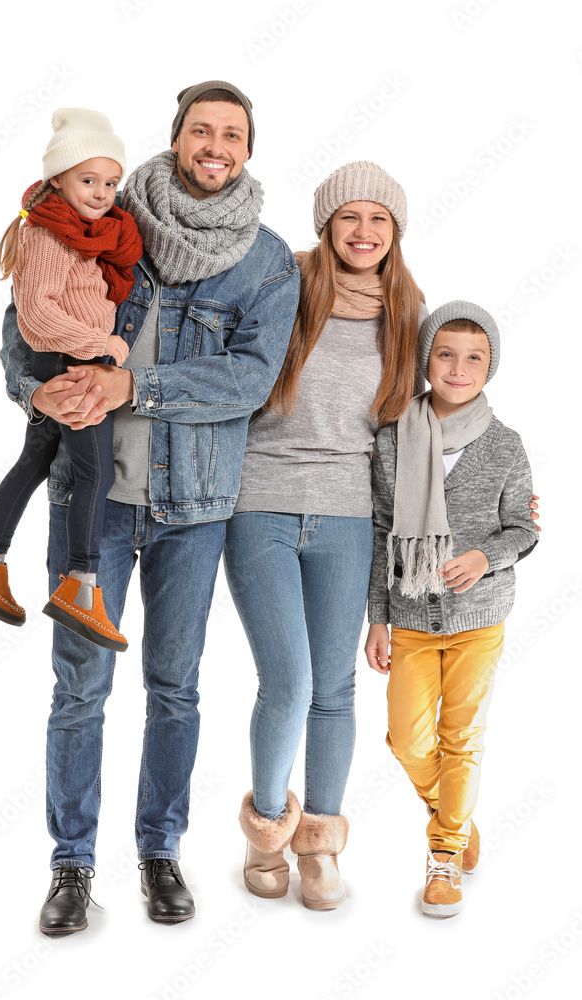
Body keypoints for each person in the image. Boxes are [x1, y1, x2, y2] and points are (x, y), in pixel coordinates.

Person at [0, 81, 300, 933]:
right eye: (200, 130)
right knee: (79, 689)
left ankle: (159, 850)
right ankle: (71, 865)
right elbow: (19, 334)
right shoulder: (95, 220)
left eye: (231, 134)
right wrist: (36, 392)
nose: (216, 145)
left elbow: (250, 377)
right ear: (174, 140)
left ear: (248, 149)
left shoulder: (268, 260)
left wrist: (136, 382)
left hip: (196, 507)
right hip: (88, 505)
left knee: (175, 687)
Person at [224, 161, 428, 910]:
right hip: (261, 505)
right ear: (326, 225)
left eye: (380, 219)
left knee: (335, 690)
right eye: (350, 218)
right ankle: (267, 825)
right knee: (289, 682)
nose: (364, 232)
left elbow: (414, 434)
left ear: (395, 231)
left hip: (347, 516)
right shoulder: (284, 285)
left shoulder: (407, 309)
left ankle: (319, 843)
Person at [364, 301, 538, 916]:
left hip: (478, 617)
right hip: (410, 616)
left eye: (474, 357)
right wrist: (377, 617)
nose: (458, 369)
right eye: (445, 354)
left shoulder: (505, 444)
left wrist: (484, 557)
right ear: (425, 359)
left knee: (461, 737)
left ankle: (444, 857)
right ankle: (458, 819)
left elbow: (523, 527)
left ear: (491, 367)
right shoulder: (392, 440)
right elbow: (382, 532)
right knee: (407, 740)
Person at [0, 109, 142, 652]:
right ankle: (80, 587)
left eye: (110, 182)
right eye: (88, 180)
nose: (102, 193)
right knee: (95, 473)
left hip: (63, 363)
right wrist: (101, 345)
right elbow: (35, 315)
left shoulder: (80, 235)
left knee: (35, 461)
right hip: (68, 364)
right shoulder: (45, 236)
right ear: (57, 179)